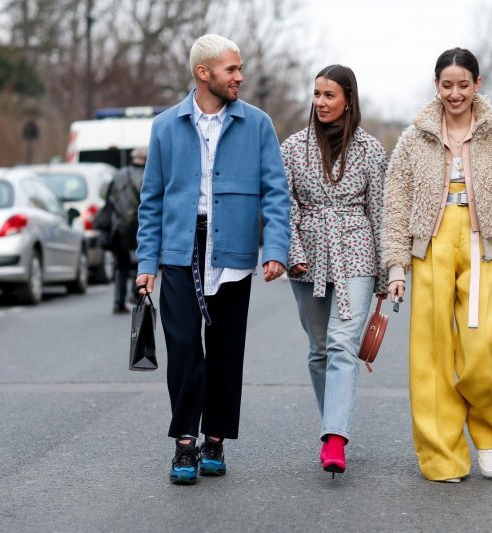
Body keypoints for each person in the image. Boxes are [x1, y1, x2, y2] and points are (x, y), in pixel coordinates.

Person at [383, 48, 492, 482]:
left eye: (463, 84)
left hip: (482, 246)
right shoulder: (415, 137)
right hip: (432, 245)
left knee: (477, 351)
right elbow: (397, 203)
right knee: (431, 354)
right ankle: (443, 457)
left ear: (478, 84)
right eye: (446, 85)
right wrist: (397, 267)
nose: (454, 93)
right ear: (436, 86)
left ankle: (486, 432)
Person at [135, 34, 291, 485]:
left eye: (239, 69)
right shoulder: (166, 126)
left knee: (226, 349)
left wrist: (275, 249)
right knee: (184, 347)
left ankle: (215, 439)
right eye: (231, 70)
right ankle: (186, 442)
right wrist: (147, 264)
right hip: (180, 248)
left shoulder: (258, 124)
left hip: (234, 249)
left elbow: (276, 194)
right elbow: (152, 200)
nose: (239, 76)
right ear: (203, 73)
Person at [281, 65, 388, 477]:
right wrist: (292, 251)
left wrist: (384, 276)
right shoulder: (292, 147)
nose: (321, 102)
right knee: (320, 349)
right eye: (316, 94)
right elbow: (283, 203)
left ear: (348, 99)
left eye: (329, 95)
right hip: (307, 251)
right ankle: (334, 425)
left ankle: (334, 439)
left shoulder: (370, 150)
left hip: (355, 249)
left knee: (344, 345)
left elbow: (378, 210)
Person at [105, 146, 146, 313]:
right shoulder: (148, 175)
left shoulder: (118, 175)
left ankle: (118, 302)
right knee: (141, 263)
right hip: (139, 226)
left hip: (119, 227)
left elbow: (109, 200)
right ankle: (137, 295)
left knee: (120, 266)